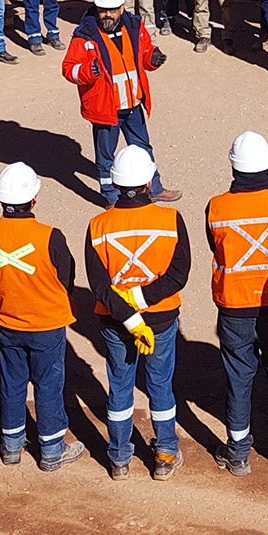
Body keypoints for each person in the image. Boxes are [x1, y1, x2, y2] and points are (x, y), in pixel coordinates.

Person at [85, 146, 193, 480]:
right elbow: (178, 275)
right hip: (160, 318)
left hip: (115, 321)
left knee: (120, 387)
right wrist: (142, 298)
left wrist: (128, 309)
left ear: (115, 183)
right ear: (148, 183)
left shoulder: (97, 225)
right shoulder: (171, 220)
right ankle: (165, 454)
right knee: (160, 385)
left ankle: (119, 458)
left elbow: (100, 287)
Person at [205, 132, 268, 476]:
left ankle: (238, 454)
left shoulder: (216, 207)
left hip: (234, 306)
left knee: (238, 380)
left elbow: (216, 246)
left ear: (233, 166)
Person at [0, 162, 87, 470]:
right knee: (48, 385)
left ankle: (11, 445)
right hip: (46, 324)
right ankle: (51, 449)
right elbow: (67, 277)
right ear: (33, 199)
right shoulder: (50, 236)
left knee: (12, 383)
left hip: (6, 322)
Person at [62, 0, 180, 203]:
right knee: (106, 156)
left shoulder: (134, 27)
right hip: (106, 109)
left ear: (122, 7)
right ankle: (111, 198)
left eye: (112, 10)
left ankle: (154, 188)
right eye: (103, 10)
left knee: (143, 148)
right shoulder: (84, 35)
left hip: (133, 104)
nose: (107, 15)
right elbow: (69, 69)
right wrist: (88, 71)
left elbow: (144, 54)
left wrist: (152, 58)